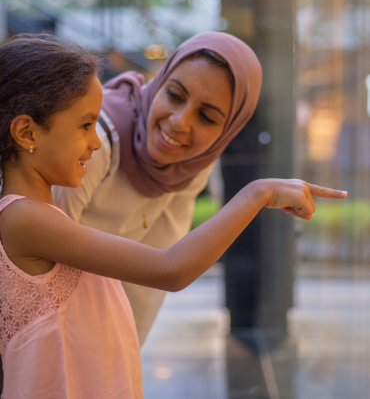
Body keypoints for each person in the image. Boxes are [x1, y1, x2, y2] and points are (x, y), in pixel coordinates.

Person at [0, 34, 346, 398]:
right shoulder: (27, 220)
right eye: (86, 125)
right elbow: (170, 269)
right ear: (26, 132)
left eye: (208, 116)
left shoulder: (36, 216)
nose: (96, 140)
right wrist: (256, 194)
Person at [52, 31, 263, 346]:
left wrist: (121, 365)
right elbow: (38, 268)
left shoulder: (192, 166)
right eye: (175, 95)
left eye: (206, 117)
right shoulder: (95, 146)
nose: (180, 122)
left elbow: (146, 289)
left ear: (228, 129)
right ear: (159, 81)